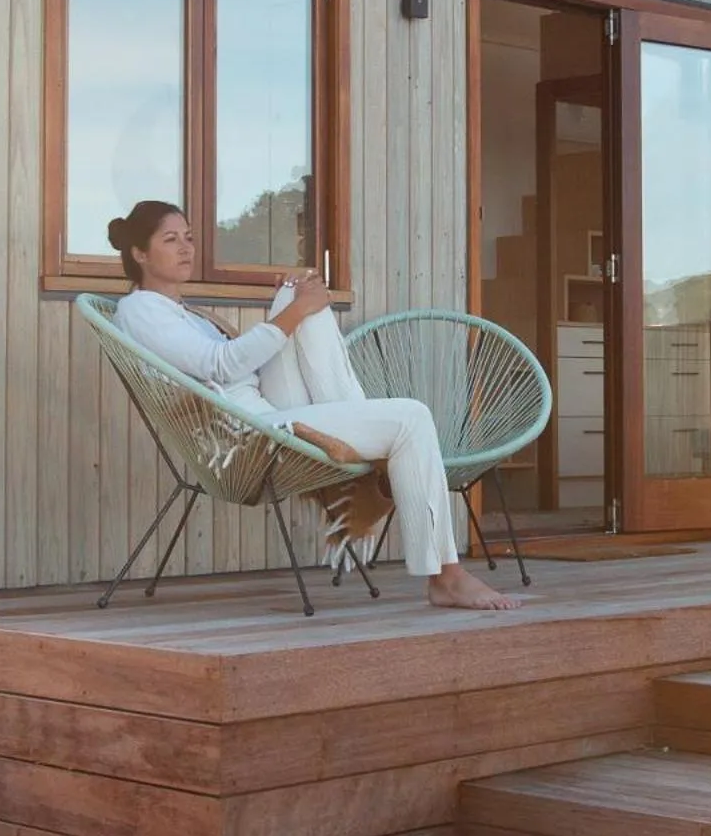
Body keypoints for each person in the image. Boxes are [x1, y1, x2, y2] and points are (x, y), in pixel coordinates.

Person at [108, 199, 522, 612]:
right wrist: (294, 314)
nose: (186, 248)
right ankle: (445, 577)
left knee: (295, 290)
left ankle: (364, 432)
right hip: (252, 433)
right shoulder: (141, 309)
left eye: (189, 238)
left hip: (262, 407)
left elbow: (231, 368)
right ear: (139, 254)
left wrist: (292, 306)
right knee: (412, 418)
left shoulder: (180, 313)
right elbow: (220, 364)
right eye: (170, 240)